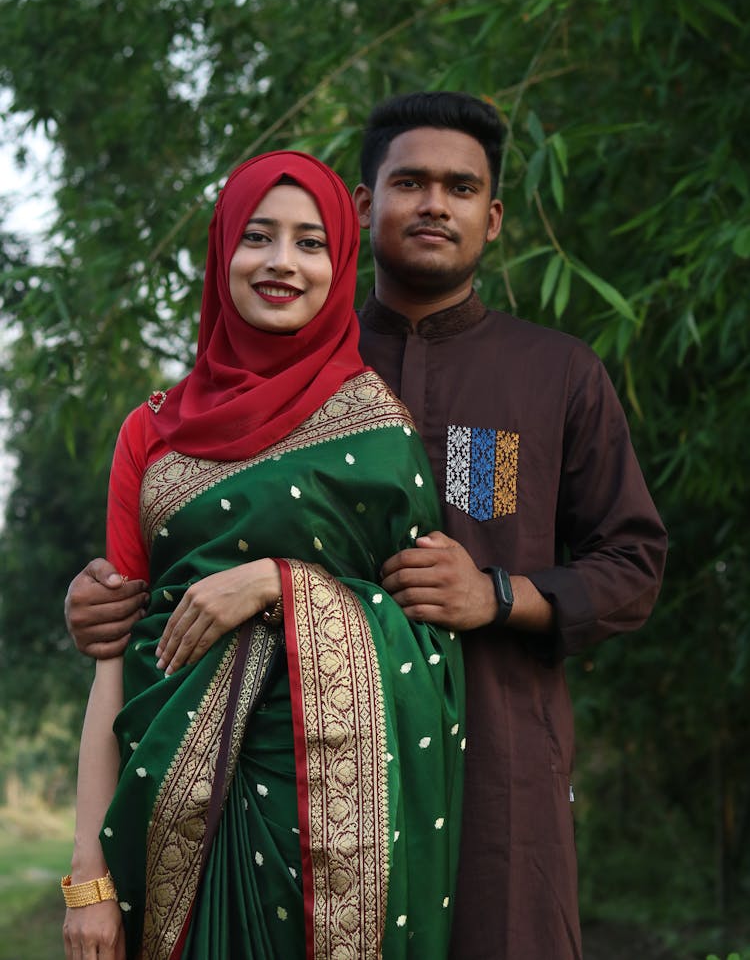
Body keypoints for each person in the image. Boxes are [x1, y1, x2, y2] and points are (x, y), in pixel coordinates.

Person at [66, 93, 668, 960]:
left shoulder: (551, 374)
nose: (434, 203)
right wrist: (99, 600)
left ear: (493, 218)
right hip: (284, 780)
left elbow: (634, 564)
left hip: (496, 773)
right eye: (410, 182)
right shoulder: (295, 350)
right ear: (360, 205)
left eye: (460, 188)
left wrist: (500, 592)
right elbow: (178, 550)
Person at [61, 150, 465, 960]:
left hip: (343, 852)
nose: (282, 262)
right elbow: (114, 661)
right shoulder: (152, 434)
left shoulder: (383, 434)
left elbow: (431, 650)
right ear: (222, 254)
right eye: (258, 237)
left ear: (340, 263)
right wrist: (87, 881)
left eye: (311, 243)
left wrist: (280, 585)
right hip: (165, 822)